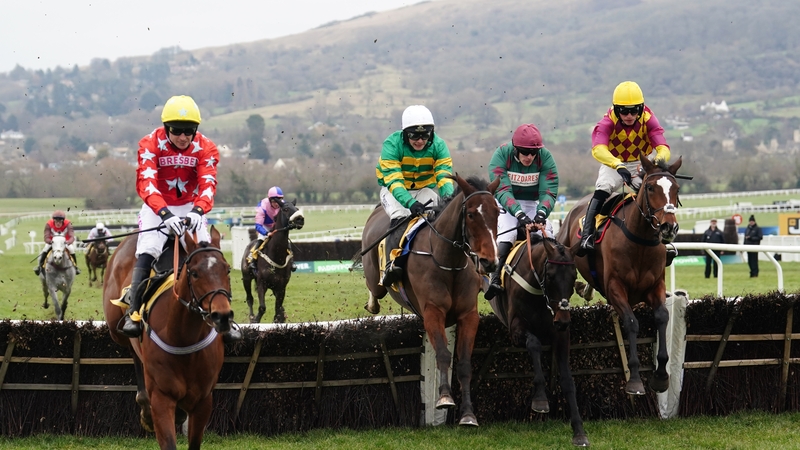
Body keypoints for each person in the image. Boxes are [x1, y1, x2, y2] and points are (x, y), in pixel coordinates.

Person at [121, 94, 240, 341]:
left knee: (208, 255)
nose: (184, 137)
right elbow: (147, 183)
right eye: (177, 131)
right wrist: (164, 214)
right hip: (157, 208)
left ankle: (226, 316)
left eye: (190, 131)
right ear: (166, 128)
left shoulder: (206, 147)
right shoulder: (149, 144)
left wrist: (198, 210)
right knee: (149, 249)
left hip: (189, 206)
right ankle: (133, 312)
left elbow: (208, 183)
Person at [578, 81, 672, 260]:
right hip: (613, 162)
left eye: (634, 110)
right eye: (624, 111)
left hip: (640, 164)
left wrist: (653, 164)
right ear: (615, 109)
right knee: (603, 188)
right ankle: (588, 234)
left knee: (654, 193)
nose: (629, 115)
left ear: (641, 108)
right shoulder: (607, 122)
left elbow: (663, 148)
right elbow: (598, 149)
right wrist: (617, 165)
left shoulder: (649, 119)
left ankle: (663, 240)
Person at [376, 105, 455, 286]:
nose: (420, 140)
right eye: (414, 135)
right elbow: (394, 181)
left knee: (445, 215)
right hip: (393, 190)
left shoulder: (439, 146)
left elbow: (443, 177)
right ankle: (391, 265)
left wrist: (448, 200)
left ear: (431, 133)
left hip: (423, 189)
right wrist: (410, 203)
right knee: (400, 217)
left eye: (425, 135)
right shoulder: (391, 145)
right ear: (405, 133)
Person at [484, 123, 558, 300]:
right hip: (505, 204)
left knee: (548, 234)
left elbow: (549, 190)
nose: (530, 157)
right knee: (507, 233)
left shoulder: (545, 157)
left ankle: (556, 278)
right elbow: (502, 190)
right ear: (515, 148)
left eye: (534, 153)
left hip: (531, 204)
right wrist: (519, 214)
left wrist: (542, 213)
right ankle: (495, 278)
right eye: (525, 152)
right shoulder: (501, 155)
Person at [246, 186, 297, 273]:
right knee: (261, 240)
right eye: (274, 200)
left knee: (285, 241)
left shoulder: (283, 205)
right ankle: (252, 259)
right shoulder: (262, 206)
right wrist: (266, 233)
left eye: (279, 200)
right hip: (265, 226)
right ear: (269, 199)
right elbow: (258, 226)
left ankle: (291, 262)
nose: (277, 203)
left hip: (277, 227)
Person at [34, 210, 81, 275]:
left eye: (60, 221)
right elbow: (46, 236)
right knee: (45, 249)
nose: (58, 223)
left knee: (72, 249)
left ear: (63, 221)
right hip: (52, 241)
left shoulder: (68, 224)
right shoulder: (49, 224)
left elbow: (71, 236)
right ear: (54, 220)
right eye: (56, 221)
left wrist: (68, 242)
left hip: (64, 241)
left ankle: (75, 267)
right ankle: (40, 267)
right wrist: (49, 241)